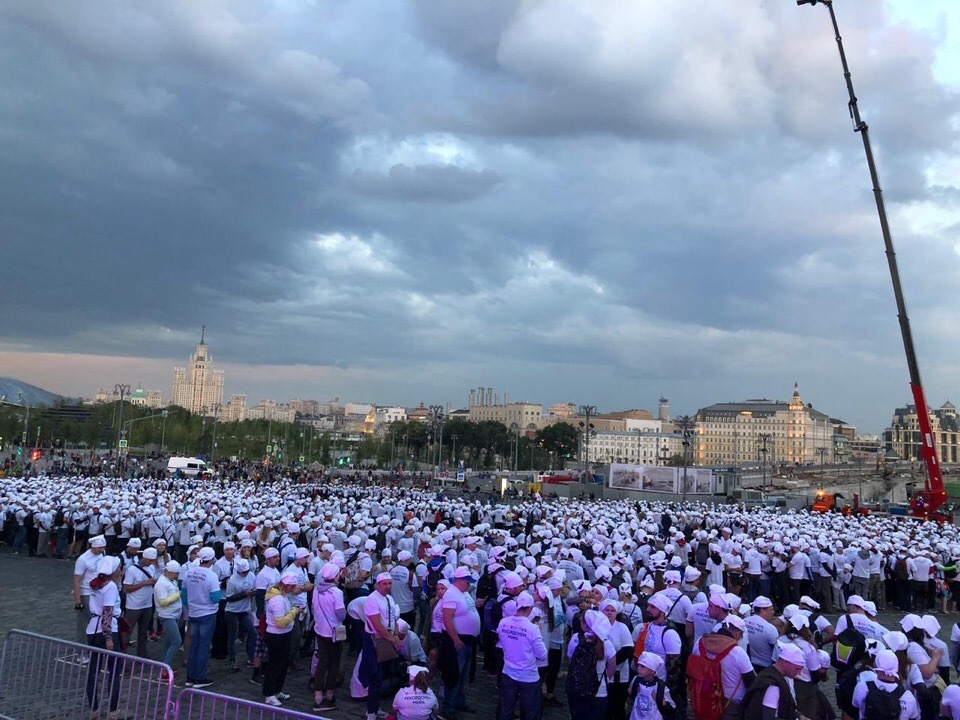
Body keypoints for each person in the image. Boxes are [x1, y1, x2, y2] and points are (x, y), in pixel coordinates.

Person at [497, 590, 547, 720]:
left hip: (508, 671)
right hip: (528, 675)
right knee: (530, 712)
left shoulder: (503, 622)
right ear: (530, 608)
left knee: (505, 708)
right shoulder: (532, 628)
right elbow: (542, 655)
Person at [85, 555, 124, 720]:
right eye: (119, 568)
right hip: (106, 630)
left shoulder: (96, 583)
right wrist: (108, 637)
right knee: (114, 671)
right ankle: (113, 711)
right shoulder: (111, 587)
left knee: (93, 670)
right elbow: (107, 611)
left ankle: (94, 708)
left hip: (92, 629)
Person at [440, 567, 482, 719]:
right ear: (459, 581)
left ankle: (458, 701)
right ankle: (448, 706)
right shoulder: (451, 595)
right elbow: (447, 618)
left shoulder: (463, 593)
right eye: (467, 581)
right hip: (457, 641)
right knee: (454, 674)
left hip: (468, 640)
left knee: (462, 674)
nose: (469, 584)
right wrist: (455, 639)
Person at [360, 573, 403, 720]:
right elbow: (377, 625)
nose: (388, 587)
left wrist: (396, 636)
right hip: (375, 642)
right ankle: (371, 712)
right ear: (378, 584)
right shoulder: (372, 599)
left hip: (387, 639)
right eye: (385, 584)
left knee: (382, 675)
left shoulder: (389, 598)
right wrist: (392, 638)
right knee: (375, 676)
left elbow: (393, 619)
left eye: (390, 583)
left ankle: (374, 707)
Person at [183, 546, 221, 689]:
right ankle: (200, 678)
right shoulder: (211, 576)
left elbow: (184, 595)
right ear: (211, 559)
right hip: (207, 613)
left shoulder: (189, 573)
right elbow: (216, 597)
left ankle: (190, 676)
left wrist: (192, 605)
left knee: (194, 645)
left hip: (193, 613)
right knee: (203, 646)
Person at [567, 609, 616, 720]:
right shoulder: (607, 644)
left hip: (576, 689)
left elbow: (571, 661)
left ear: (585, 624)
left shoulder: (576, 639)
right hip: (599, 691)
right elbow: (612, 668)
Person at [262, 572, 302, 707]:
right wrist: (294, 612)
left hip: (283, 634)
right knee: (275, 665)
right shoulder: (277, 599)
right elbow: (280, 622)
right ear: (287, 586)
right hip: (276, 636)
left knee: (282, 665)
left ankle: (277, 690)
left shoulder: (282, 596)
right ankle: (269, 694)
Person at [737, 642, 805, 720]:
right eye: (797, 669)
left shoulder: (771, 673)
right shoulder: (773, 685)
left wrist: (799, 716)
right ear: (786, 662)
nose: (799, 673)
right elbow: (768, 718)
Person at [312, 562, 347, 713]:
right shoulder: (336, 592)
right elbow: (341, 614)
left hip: (320, 630)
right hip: (334, 632)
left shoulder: (316, 590)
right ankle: (329, 694)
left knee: (322, 662)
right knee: (333, 664)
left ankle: (318, 696)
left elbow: (313, 608)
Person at [851, 649, 919, 720]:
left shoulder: (862, 688)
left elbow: (853, 712)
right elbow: (913, 717)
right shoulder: (908, 697)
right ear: (897, 667)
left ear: (875, 665)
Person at [122, 546, 157, 658]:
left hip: (147, 604)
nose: (151, 563)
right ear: (144, 558)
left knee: (143, 632)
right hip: (133, 606)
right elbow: (126, 588)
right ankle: (122, 654)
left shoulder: (151, 567)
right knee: (127, 631)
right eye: (150, 561)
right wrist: (145, 583)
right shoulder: (132, 570)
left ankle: (142, 654)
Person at [224, 557, 256, 672]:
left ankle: (251, 656)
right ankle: (233, 659)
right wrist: (244, 594)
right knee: (233, 635)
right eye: (243, 572)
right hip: (232, 611)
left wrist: (253, 593)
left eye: (247, 572)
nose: (245, 574)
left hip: (244, 610)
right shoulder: (233, 580)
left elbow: (255, 588)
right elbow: (229, 598)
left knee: (252, 632)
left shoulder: (251, 576)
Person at [74, 534, 107, 646]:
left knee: (98, 621)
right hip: (87, 593)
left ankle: (95, 645)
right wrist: (78, 602)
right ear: (92, 547)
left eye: (102, 547)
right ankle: (82, 650)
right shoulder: (82, 559)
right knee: (85, 623)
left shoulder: (102, 554)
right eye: (99, 548)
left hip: (99, 591)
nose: (101, 550)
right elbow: (77, 581)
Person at [153, 559, 182, 677]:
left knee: (168, 642)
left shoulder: (170, 580)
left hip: (173, 614)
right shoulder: (161, 584)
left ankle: (163, 665)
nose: (176, 576)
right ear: (168, 572)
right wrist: (178, 595)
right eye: (175, 574)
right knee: (177, 641)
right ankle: (165, 669)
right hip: (167, 615)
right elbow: (163, 602)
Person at [628, 652, 675, 720]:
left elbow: (671, 708)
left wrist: (662, 702)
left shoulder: (660, 687)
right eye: (639, 665)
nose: (638, 668)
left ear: (652, 671)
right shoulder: (636, 680)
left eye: (642, 666)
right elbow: (630, 693)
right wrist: (632, 692)